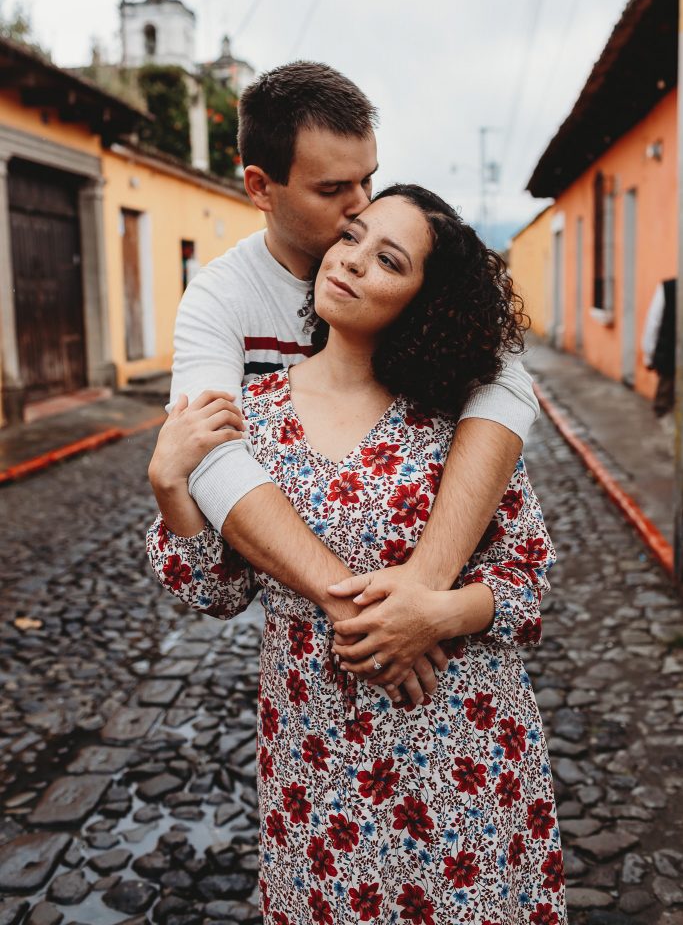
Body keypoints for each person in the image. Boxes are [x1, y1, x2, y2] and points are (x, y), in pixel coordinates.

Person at [147, 185, 566, 924]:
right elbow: (213, 594)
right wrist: (169, 487)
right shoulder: (253, 416)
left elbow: (524, 579)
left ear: (422, 301)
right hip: (318, 764)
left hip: (460, 746)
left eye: (387, 260)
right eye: (351, 239)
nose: (350, 263)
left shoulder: (455, 419)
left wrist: (432, 614)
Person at [163, 61, 540, 705]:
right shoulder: (219, 303)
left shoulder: (428, 319)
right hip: (314, 718)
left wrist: (424, 589)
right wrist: (366, 615)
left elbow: (504, 385)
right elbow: (215, 462)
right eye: (336, 188)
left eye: (368, 177)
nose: (361, 205)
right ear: (261, 186)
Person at [642, 277, 676, 417]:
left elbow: (653, 323)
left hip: (670, 363)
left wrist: (648, 357)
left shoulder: (668, 288)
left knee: (665, 409)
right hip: (670, 363)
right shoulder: (668, 288)